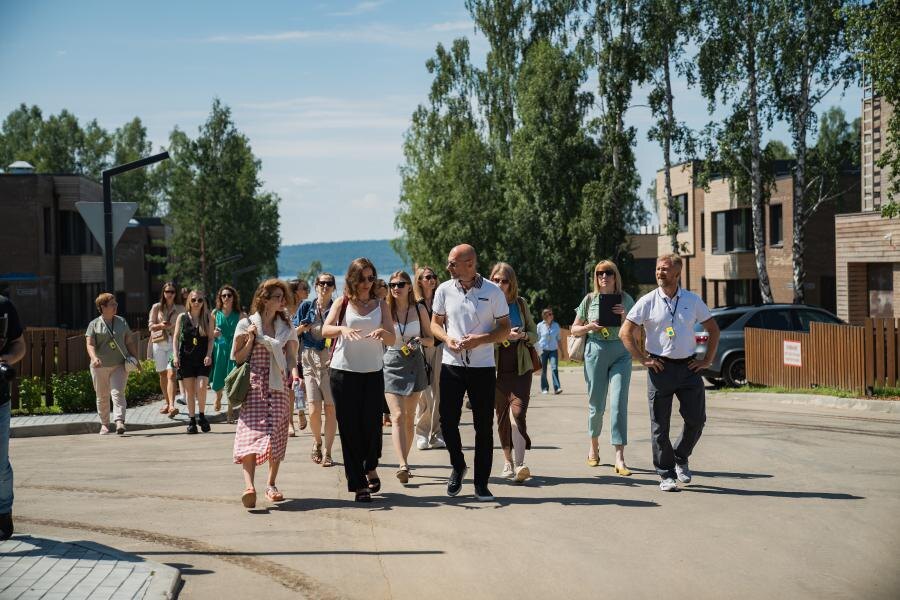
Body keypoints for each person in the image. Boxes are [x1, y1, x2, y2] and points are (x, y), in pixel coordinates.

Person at [620, 254, 721, 492]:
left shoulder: (692, 300)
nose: (659, 273)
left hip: (688, 367)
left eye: (665, 269)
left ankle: (680, 456)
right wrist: (643, 358)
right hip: (660, 368)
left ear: (677, 274)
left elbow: (713, 330)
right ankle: (665, 474)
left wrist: (707, 360)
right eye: (657, 269)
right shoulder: (647, 301)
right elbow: (625, 332)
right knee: (659, 425)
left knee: (697, 420)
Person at [431, 244, 510, 501]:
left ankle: (481, 483)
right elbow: (435, 324)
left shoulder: (493, 291)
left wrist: (482, 339)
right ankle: (458, 465)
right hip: (452, 364)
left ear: (470, 263)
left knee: (483, 427)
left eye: (453, 263)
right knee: (447, 421)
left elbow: (505, 329)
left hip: (482, 367)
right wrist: (447, 338)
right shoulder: (444, 289)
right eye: (449, 263)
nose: (449, 267)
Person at [322, 258, 395, 503]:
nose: (367, 283)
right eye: (362, 278)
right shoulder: (343, 303)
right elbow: (325, 329)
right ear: (353, 279)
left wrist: (383, 333)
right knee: (350, 429)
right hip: (343, 373)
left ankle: (370, 464)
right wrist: (342, 330)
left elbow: (392, 338)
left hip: (373, 372)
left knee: (372, 426)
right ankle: (359, 484)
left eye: (371, 278)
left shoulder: (381, 305)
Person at [231, 279, 299, 508]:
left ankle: (271, 483)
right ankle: (249, 487)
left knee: (276, 436)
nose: (282, 301)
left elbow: (291, 356)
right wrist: (251, 339)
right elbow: (237, 358)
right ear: (264, 299)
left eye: (283, 297)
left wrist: (292, 373)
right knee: (250, 435)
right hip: (254, 386)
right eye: (277, 297)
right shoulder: (246, 324)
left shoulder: (286, 327)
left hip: (279, 386)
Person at [570, 260, 636, 474]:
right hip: (595, 352)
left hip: (621, 354)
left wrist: (624, 316)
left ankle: (619, 457)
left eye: (608, 273)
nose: (604, 276)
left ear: (615, 276)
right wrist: (589, 326)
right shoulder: (590, 299)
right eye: (599, 273)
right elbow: (574, 329)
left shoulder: (626, 299)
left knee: (618, 404)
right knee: (596, 405)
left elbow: (636, 330)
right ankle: (593, 446)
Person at [489, 263, 538, 484]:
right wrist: (505, 337)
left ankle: (521, 464)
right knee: (501, 417)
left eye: (504, 280)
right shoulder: (487, 306)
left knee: (517, 413)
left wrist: (524, 335)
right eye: (496, 280)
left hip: (521, 367)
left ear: (512, 283)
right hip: (496, 368)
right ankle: (508, 462)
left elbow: (535, 333)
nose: (500, 284)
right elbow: (486, 339)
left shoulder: (520, 304)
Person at [383, 270, 433, 485]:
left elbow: (431, 339)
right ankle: (402, 464)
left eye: (401, 284)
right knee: (397, 415)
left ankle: (406, 461)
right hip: (391, 362)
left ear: (410, 287)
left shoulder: (419, 308)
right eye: (392, 284)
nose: (396, 288)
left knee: (410, 416)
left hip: (414, 361)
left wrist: (419, 340)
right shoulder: (384, 308)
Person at [294, 273, 338, 467]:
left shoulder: (338, 308)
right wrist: (303, 328)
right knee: (313, 409)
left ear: (334, 287)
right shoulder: (306, 307)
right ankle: (317, 441)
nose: (325, 286)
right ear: (316, 286)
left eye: (329, 283)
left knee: (330, 408)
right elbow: (292, 333)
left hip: (330, 360)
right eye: (321, 283)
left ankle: (328, 452)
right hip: (309, 359)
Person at [85, 293, 139, 435]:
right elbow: (89, 344)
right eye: (112, 304)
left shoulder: (122, 321)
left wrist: (136, 359)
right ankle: (104, 424)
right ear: (102, 307)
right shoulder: (94, 324)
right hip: (99, 366)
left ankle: (119, 421)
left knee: (117, 393)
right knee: (102, 395)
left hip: (119, 364)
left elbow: (129, 341)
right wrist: (94, 358)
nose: (116, 306)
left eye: (116, 304)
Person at [173, 290, 216, 435]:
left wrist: (209, 354)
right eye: (194, 300)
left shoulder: (208, 317)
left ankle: (202, 415)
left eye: (200, 300)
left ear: (204, 302)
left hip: (203, 358)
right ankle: (192, 420)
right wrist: (175, 356)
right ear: (189, 302)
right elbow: (176, 338)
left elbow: (211, 339)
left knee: (202, 386)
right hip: (186, 358)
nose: (197, 303)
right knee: (190, 391)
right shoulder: (182, 317)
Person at [0, 294, 26, 540]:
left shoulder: (4, 305)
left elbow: (19, 344)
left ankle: (3, 512)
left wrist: (6, 360)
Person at [413, 266, 445, 450]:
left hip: (440, 348)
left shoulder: (441, 300)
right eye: (427, 277)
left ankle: (436, 433)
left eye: (434, 276)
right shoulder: (416, 303)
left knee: (439, 393)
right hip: (422, 349)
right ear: (419, 281)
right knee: (424, 395)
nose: (432, 279)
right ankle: (422, 433)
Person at [148, 283, 184, 417]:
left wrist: (174, 326)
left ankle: (172, 405)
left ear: (176, 293)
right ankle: (167, 402)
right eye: (167, 291)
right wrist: (160, 325)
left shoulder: (180, 308)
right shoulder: (157, 307)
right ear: (163, 293)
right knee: (162, 374)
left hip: (173, 343)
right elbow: (150, 326)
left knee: (172, 374)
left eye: (172, 292)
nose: (170, 294)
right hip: (159, 343)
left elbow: (185, 325)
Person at [210, 285, 241, 414]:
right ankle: (218, 397)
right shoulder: (215, 313)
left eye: (229, 295)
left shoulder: (240, 314)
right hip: (219, 349)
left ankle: (229, 409)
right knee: (219, 376)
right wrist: (213, 333)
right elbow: (209, 332)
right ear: (220, 298)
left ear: (234, 298)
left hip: (233, 349)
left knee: (232, 377)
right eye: (224, 295)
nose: (227, 297)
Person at [286, 279, 310, 436]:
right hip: (288, 354)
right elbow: (286, 335)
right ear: (295, 291)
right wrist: (300, 329)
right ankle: (290, 424)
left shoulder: (307, 306)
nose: (307, 290)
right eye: (304, 288)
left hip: (304, 353)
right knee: (291, 390)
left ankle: (301, 411)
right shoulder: (285, 310)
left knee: (303, 387)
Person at [373, 278, 392, 427]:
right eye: (380, 285)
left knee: (387, 382)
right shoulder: (373, 306)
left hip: (390, 346)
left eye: (386, 285)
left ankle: (387, 414)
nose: (384, 287)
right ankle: (380, 414)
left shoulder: (390, 304)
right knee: (380, 382)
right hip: (376, 347)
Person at [537, 307, 562, 395]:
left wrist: (561, 351)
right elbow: (537, 339)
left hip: (553, 350)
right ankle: (544, 388)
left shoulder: (556, 325)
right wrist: (536, 351)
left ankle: (557, 388)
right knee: (543, 370)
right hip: (542, 350)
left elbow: (559, 339)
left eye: (552, 314)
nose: (552, 315)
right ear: (545, 315)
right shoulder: (540, 326)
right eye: (550, 314)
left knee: (554, 368)